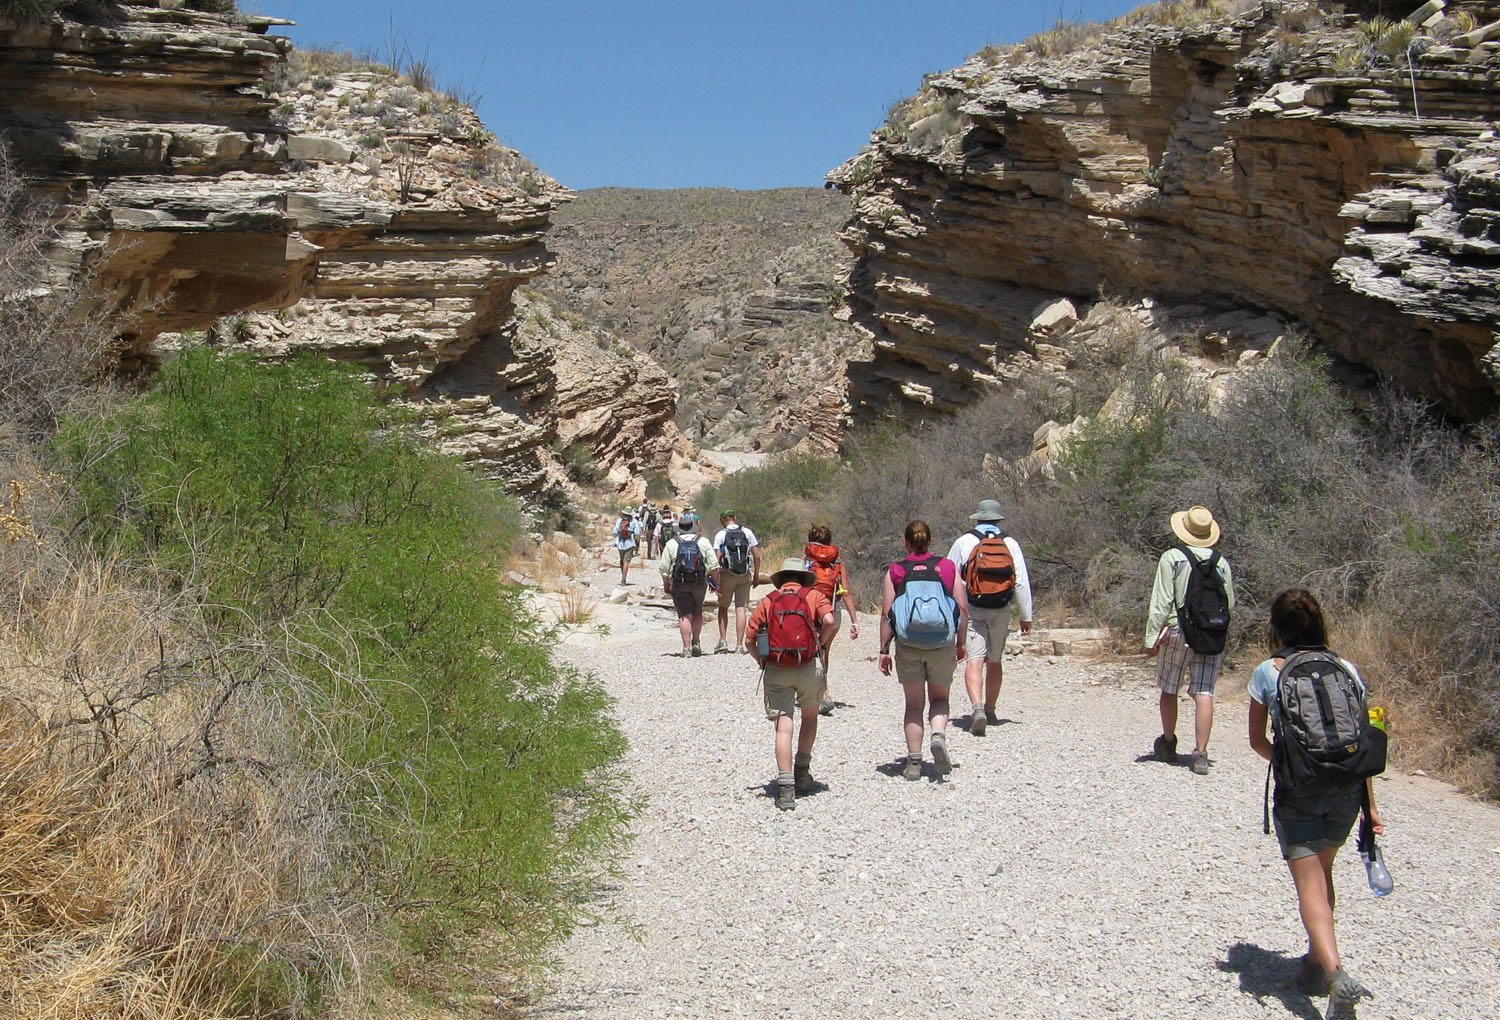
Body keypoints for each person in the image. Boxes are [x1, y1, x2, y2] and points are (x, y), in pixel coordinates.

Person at [1248, 589, 1382, 1020]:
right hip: (1345, 791)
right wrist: (1370, 806)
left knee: (1310, 886)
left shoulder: (1269, 672)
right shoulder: (1346, 668)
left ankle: (1335, 974)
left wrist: (1291, 765)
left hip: (1299, 793)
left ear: (1276, 628)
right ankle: (1313, 962)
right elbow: (1361, 743)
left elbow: (1256, 742)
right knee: (1324, 874)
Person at [1145, 504, 1235, 775]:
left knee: (1169, 687)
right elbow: (1229, 603)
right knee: (1204, 691)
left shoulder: (1172, 557)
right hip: (1210, 633)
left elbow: (1161, 600)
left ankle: (1168, 742)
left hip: (1178, 631)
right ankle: (1201, 753)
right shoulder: (1221, 562)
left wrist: (1151, 636)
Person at [745, 557, 837, 810]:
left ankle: (786, 788)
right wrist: (821, 643)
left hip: (777, 667)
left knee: (783, 727)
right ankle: (802, 772)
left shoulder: (769, 600)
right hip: (808, 664)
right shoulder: (815, 596)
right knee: (810, 717)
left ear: (782, 579)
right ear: (802, 578)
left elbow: (749, 640)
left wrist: (761, 661)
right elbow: (830, 621)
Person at [878, 520, 967, 780]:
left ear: (905, 541)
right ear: (930, 540)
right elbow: (962, 609)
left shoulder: (895, 570)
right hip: (941, 642)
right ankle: (938, 735)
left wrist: (884, 649)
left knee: (913, 704)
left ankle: (914, 763)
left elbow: (887, 614)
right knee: (940, 699)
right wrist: (960, 643)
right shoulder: (947, 567)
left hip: (908, 644)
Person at [944, 499, 1032, 736]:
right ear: (998, 519)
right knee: (995, 660)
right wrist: (1026, 616)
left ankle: (977, 707)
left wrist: (950, 613)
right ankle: (991, 710)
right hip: (1002, 609)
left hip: (972, 609)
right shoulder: (1010, 543)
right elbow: (1021, 582)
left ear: (977, 518)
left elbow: (948, 579)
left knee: (974, 659)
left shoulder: (964, 542)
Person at [804, 524, 859, 713]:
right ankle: (822, 691)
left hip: (811, 611)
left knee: (813, 651)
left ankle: (820, 692)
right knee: (824, 651)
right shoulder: (838, 562)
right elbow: (846, 592)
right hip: (833, 612)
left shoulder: (806, 560)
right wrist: (854, 620)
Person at [658, 514, 720, 657]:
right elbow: (714, 565)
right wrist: (714, 582)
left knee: (684, 614)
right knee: (697, 612)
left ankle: (686, 648)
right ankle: (696, 642)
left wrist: (666, 585)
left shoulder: (672, 543)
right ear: (693, 527)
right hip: (699, 582)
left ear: (679, 529)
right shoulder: (703, 542)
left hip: (680, 583)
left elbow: (664, 569)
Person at [712, 509, 762, 653]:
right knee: (741, 609)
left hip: (727, 574)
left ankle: (723, 641)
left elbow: (717, 560)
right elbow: (757, 555)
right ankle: (740, 645)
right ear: (734, 517)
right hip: (744, 574)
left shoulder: (721, 534)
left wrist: (716, 580)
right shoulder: (747, 532)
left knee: (723, 607)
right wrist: (756, 574)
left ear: (722, 520)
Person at [614, 509, 641, 585]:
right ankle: (623, 579)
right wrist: (637, 544)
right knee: (626, 561)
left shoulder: (619, 520)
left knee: (622, 560)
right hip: (630, 543)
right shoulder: (634, 521)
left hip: (620, 543)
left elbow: (615, 532)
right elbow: (637, 534)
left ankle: (623, 575)